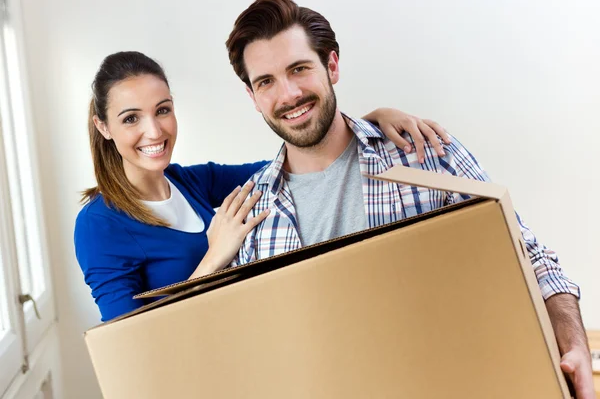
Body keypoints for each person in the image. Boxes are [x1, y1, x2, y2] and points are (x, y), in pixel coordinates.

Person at [224, 0, 594, 397]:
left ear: (331, 66)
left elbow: (531, 259)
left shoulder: (425, 153)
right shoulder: (250, 214)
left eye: (299, 69)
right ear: (251, 94)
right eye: (266, 81)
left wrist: (573, 340)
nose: (289, 94)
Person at [74, 51, 450, 322]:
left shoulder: (190, 182)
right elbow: (128, 342)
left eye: (163, 109)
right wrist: (214, 258)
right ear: (103, 127)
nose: (154, 131)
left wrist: (368, 123)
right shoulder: (98, 224)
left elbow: (292, 159)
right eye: (131, 119)